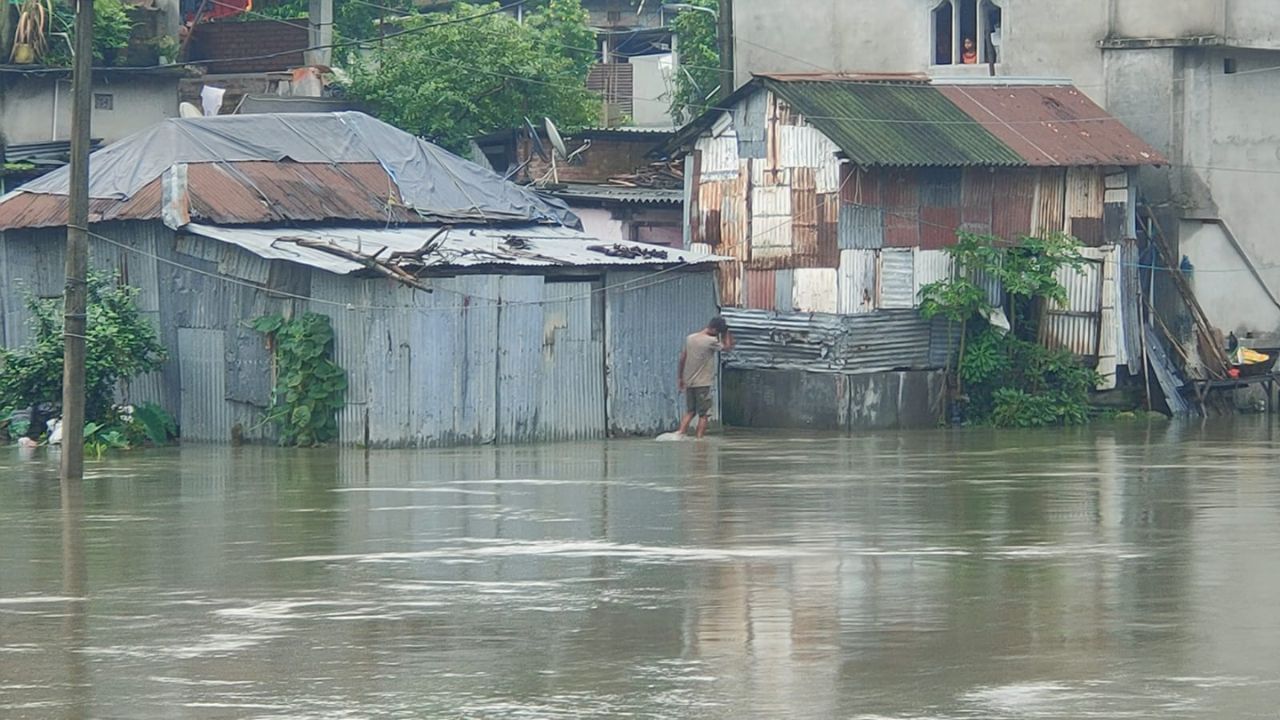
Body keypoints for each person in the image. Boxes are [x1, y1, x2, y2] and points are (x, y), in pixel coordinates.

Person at [676, 316, 734, 439]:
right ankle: (699, 440)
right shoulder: (710, 341)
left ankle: (680, 434)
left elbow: (682, 358)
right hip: (702, 383)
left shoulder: (690, 338)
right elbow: (728, 348)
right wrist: (727, 333)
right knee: (704, 414)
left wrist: (680, 378)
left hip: (689, 381)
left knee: (690, 411)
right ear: (714, 329)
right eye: (718, 332)